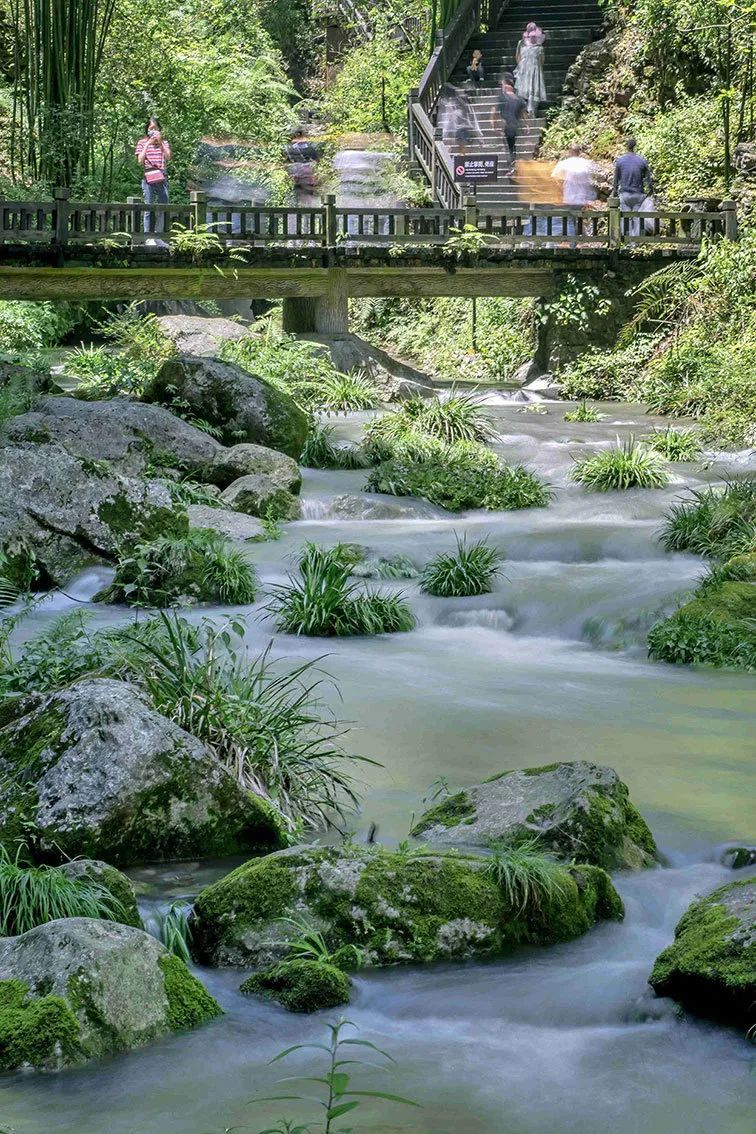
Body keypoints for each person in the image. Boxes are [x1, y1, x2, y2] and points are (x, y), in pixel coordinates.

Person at [135, 117, 171, 239]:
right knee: (148, 206)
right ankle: (148, 237)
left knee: (164, 205)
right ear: (147, 130)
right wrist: (147, 144)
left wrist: (160, 143)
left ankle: (159, 236)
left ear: (160, 130)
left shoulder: (164, 143)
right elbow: (140, 161)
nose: (153, 131)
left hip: (161, 177)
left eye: (155, 128)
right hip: (148, 178)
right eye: (151, 129)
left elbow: (168, 157)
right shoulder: (141, 142)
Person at [551, 142, 596, 235]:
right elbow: (591, 178)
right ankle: (579, 240)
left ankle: (573, 243)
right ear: (579, 152)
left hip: (569, 196)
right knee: (579, 218)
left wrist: (560, 187)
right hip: (582, 196)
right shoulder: (586, 163)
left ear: (570, 152)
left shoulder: (565, 163)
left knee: (571, 220)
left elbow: (554, 176)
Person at [613, 137, 653, 237]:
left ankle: (627, 241)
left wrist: (615, 192)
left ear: (627, 147)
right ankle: (635, 243)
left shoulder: (620, 161)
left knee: (625, 218)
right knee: (637, 218)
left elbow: (616, 179)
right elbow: (648, 179)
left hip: (625, 193)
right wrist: (650, 190)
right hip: (638, 194)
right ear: (635, 146)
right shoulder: (641, 161)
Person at [492, 74, 526, 175]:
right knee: (512, 145)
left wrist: (493, 123)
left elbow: (494, 111)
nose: (502, 87)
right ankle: (514, 165)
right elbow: (523, 113)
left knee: (508, 147)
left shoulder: (502, 97)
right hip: (515, 125)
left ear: (507, 86)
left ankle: (512, 167)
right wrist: (526, 125)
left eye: (502, 85)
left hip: (506, 125)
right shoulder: (519, 98)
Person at [515, 22, 547, 116]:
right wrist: (521, 66)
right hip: (524, 68)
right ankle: (522, 109)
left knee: (533, 88)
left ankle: (532, 110)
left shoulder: (539, 45)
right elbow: (517, 55)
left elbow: (542, 59)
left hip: (535, 69)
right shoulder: (521, 43)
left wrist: (536, 68)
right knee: (523, 88)